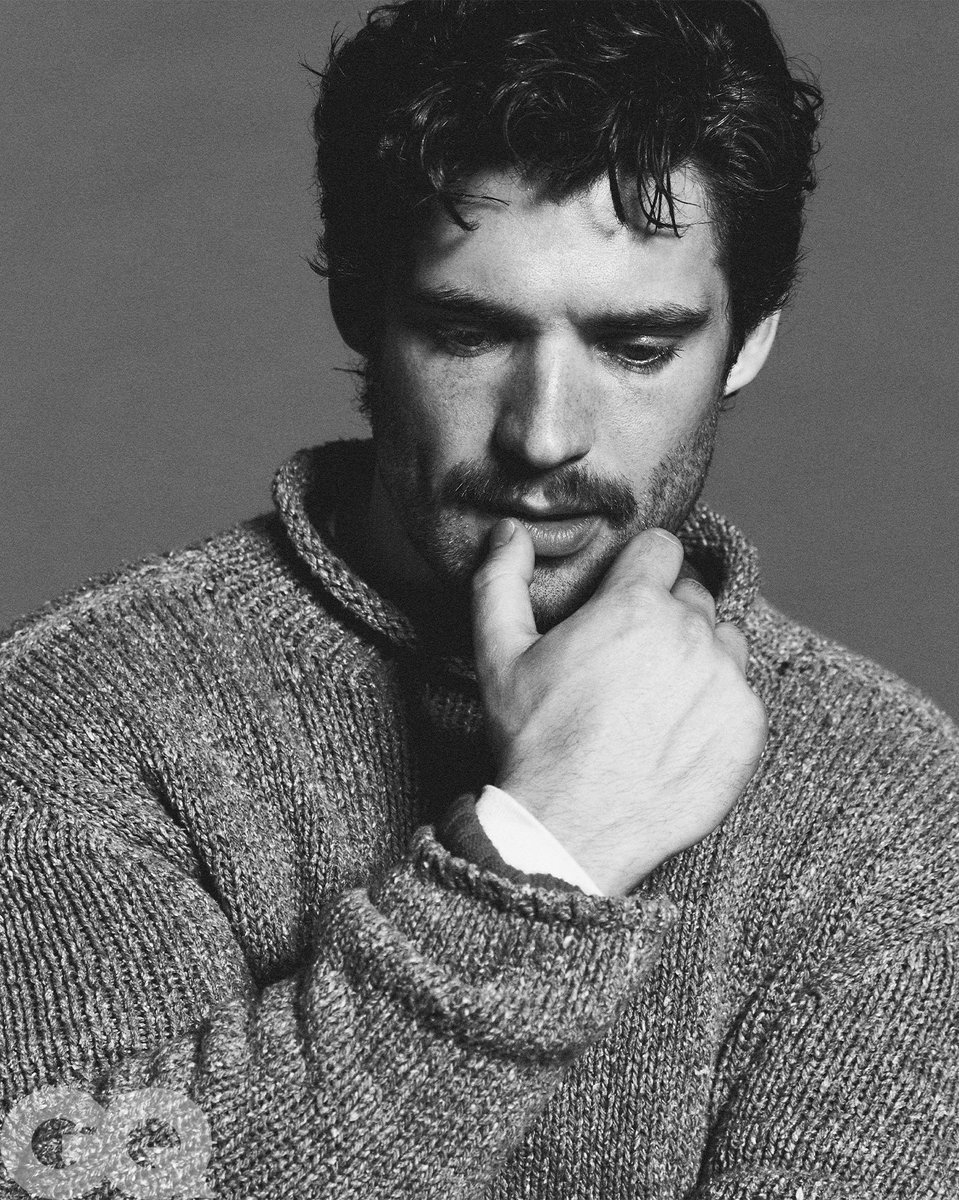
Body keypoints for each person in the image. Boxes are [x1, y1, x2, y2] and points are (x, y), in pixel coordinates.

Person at [0, 1, 956, 1197]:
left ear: (748, 339)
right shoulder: (73, 728)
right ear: (362, 306)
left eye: (636, 346)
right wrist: (544, 855)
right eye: (468, 333)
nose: (543, 435)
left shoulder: (886, 800)